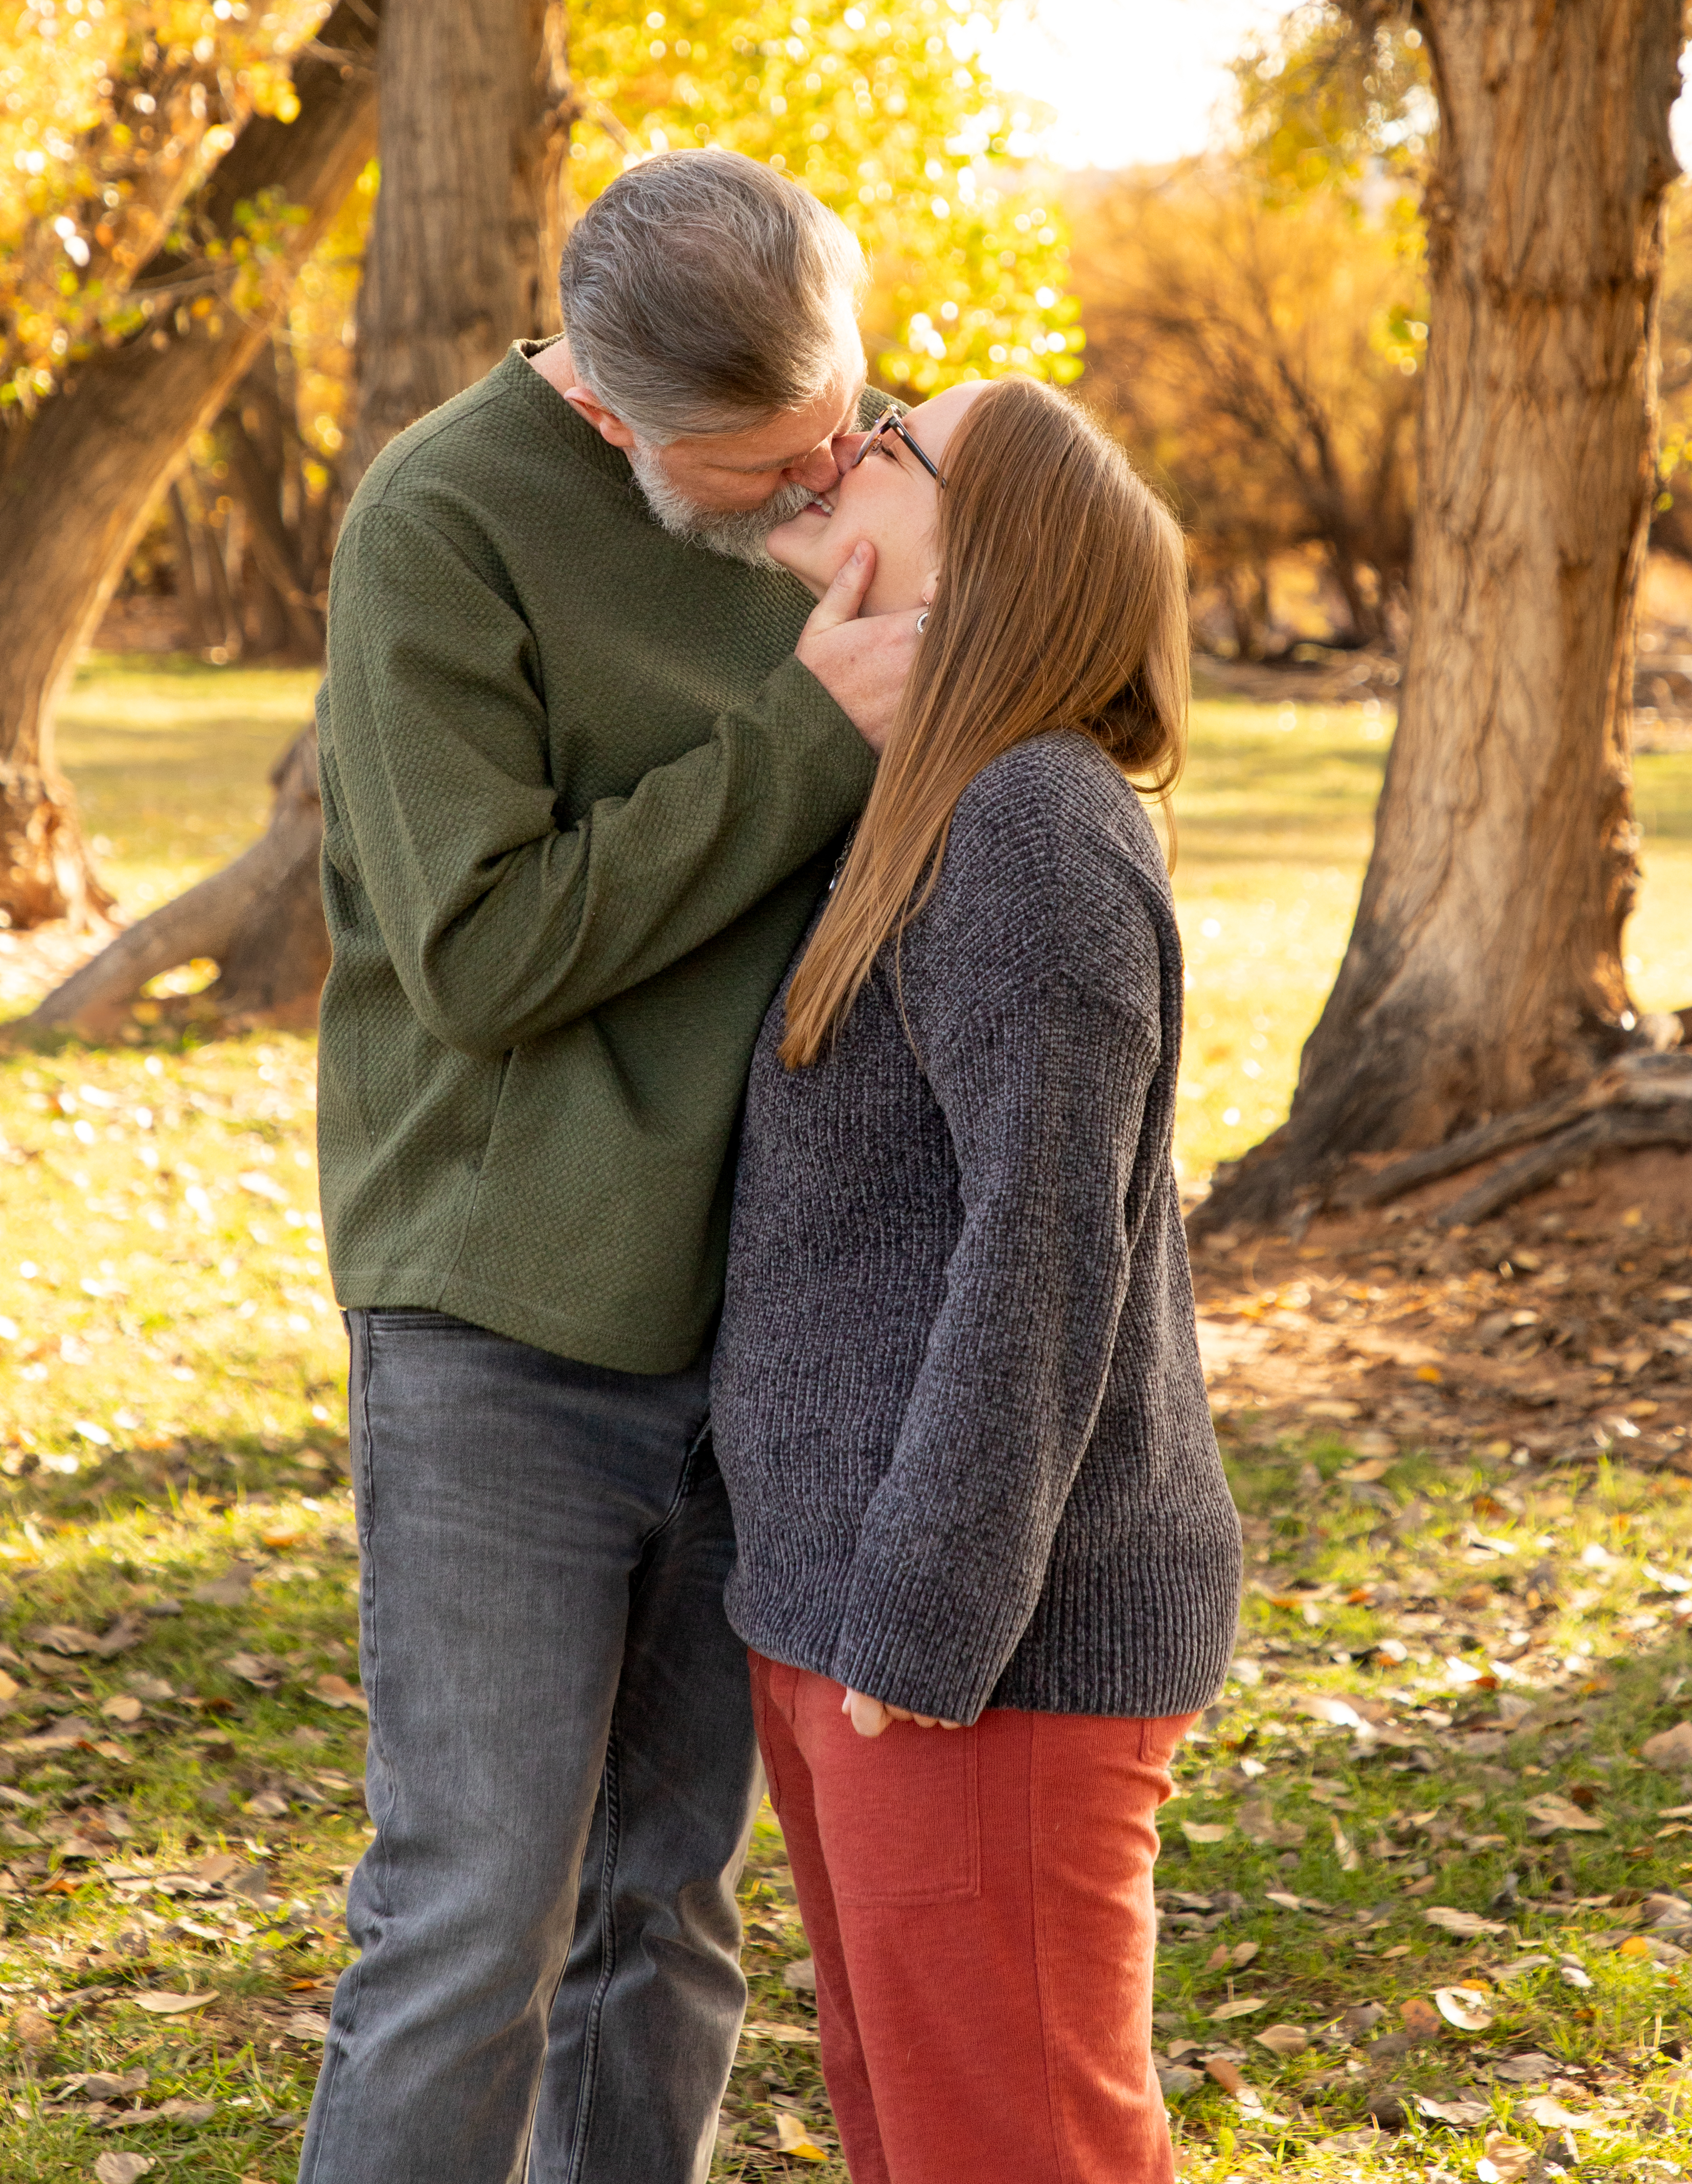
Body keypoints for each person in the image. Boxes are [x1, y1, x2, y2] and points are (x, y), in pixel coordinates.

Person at [300, 150, 921, 2184]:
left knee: (663, 1909)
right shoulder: (444, 524)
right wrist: (809, 740)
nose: (824, 481)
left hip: (761, 1318)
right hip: (509, 1313)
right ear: (614, 407)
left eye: (841, 422)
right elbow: (479, 958)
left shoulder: (841, 476)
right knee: (477, 1918)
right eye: (767, 463)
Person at [711, 374, 1244, 2184]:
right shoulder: (923, 807)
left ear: (985, 550)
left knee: (1016, 2152)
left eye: (895, 440)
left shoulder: (1032, 826)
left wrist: (928, 1621)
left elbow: (1047, 1247)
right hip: (845, 1621)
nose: (847, 447)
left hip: (977, 1652)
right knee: (916, 2137)